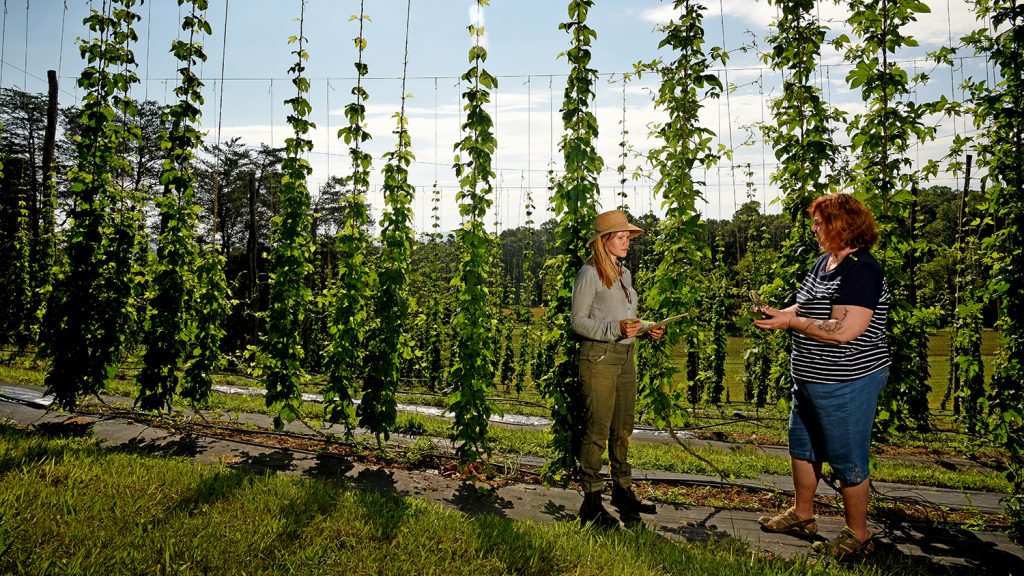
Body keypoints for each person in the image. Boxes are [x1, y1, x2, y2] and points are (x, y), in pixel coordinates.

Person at [753, 193, 889, 558]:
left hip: (847, 381)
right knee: (803, 446)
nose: (814, 229)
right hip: (810, 377)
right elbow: (808, 304)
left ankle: (858, 535)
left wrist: (792, 322)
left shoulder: (863, 269)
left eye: (819, 222)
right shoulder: (824, 262)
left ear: (843, 226)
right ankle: (802, 514)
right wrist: (779, 313)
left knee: (847, 456)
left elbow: (846, 329)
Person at [571, 209, 664, 529]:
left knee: (623, 428)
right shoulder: (589, 273)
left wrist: (646, 327)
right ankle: (591, 502)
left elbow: (625, 321)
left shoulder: (623, 273)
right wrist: (615, 329)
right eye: (622, 237)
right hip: (599, 358)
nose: (627, 242)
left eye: (628, 238)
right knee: (597, 431)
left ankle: (622, 491)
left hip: (625, 358)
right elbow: (579, 322)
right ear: (605, 241)